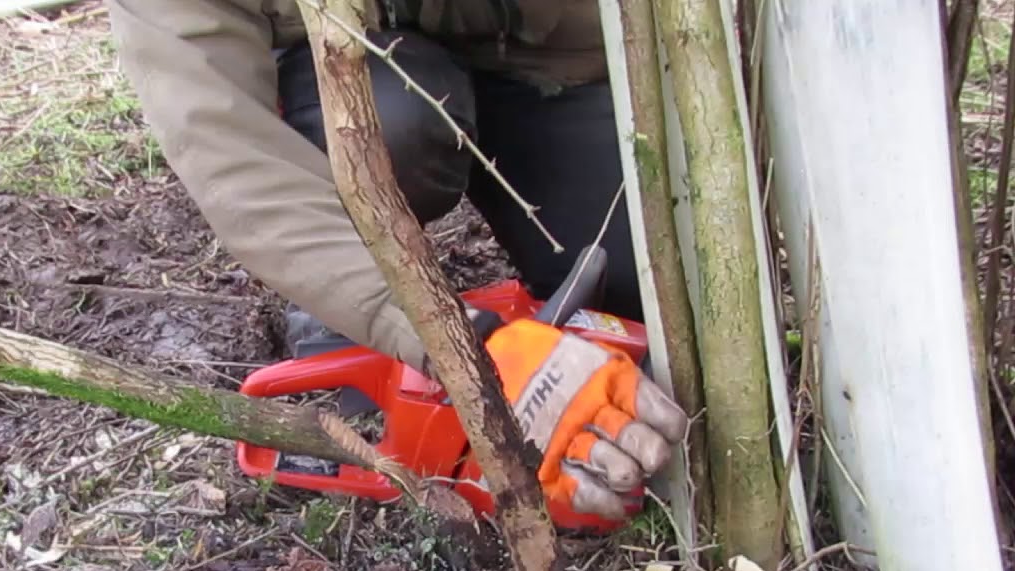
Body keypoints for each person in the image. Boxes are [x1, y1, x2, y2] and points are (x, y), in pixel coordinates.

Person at [106, 0, 688, 520]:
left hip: (552, 56)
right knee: (388, 125)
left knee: (649, 279)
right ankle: (344, 315)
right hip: (358, 70)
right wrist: (461, 347)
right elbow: (236, 164)